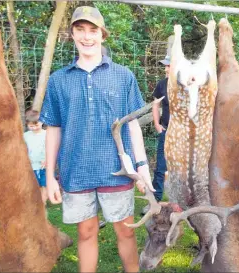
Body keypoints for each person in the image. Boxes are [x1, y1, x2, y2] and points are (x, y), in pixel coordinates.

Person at [40, 6, 155, 272]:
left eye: (93, 30)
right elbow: (53, 128)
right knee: (87, 232)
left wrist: (142, 166)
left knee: (125, 232)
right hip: (76, 171)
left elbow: (133, 125)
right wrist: (49, 176)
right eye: (80, 30)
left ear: (103, 35)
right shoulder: (59, 81)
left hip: (117, 170)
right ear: (72, 34)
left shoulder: (123, 76)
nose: (87, 36)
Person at [142, 55, 170, 214]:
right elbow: (156, 104)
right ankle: (155, 201)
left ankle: (183, 203)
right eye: (165, 66)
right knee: (160, 167)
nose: (165, 69)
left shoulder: (186, 85)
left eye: (169, 66)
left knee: (183, 170)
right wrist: (157, 124)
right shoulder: (162, 85)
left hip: (183, 137)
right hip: (166, 132)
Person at [24, 109, 47, 204]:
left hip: (44, 166)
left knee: (44, 185)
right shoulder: (25, 136)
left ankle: (43, 203)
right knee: (34, 186)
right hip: (31, 166)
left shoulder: (46, 134)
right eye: (31, 126)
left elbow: (51, 148)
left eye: (36, 125)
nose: (34, 128)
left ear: (42, 122)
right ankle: (35, 203)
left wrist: (47, 160)